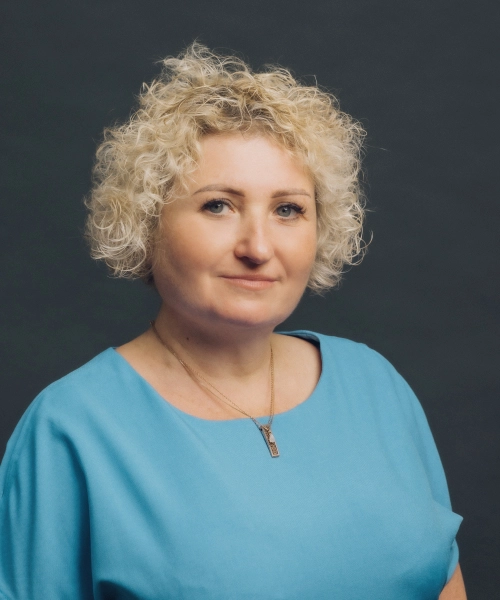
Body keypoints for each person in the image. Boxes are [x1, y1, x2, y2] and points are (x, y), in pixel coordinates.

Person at [0, 43, 465, 599]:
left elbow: (443, 580)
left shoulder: (375, 385)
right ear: (147, 221)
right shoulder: (71, 429)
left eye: (288, 209)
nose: (258, 247)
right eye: (218, 205)